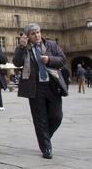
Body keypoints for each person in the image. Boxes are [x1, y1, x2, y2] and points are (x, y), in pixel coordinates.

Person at [13, 23, 66, 159]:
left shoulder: (51, 45)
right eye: (33, 33)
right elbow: (17, 62)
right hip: (34, 88)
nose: (37, 35)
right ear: (28, 36)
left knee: (57, 116)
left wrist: (49, 60)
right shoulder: (24, 48)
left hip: (52, 85)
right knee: (40, 119)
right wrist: (21, 46)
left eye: (38, 32)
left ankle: (44, 137)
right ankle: (46, 148)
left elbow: (62, 60)